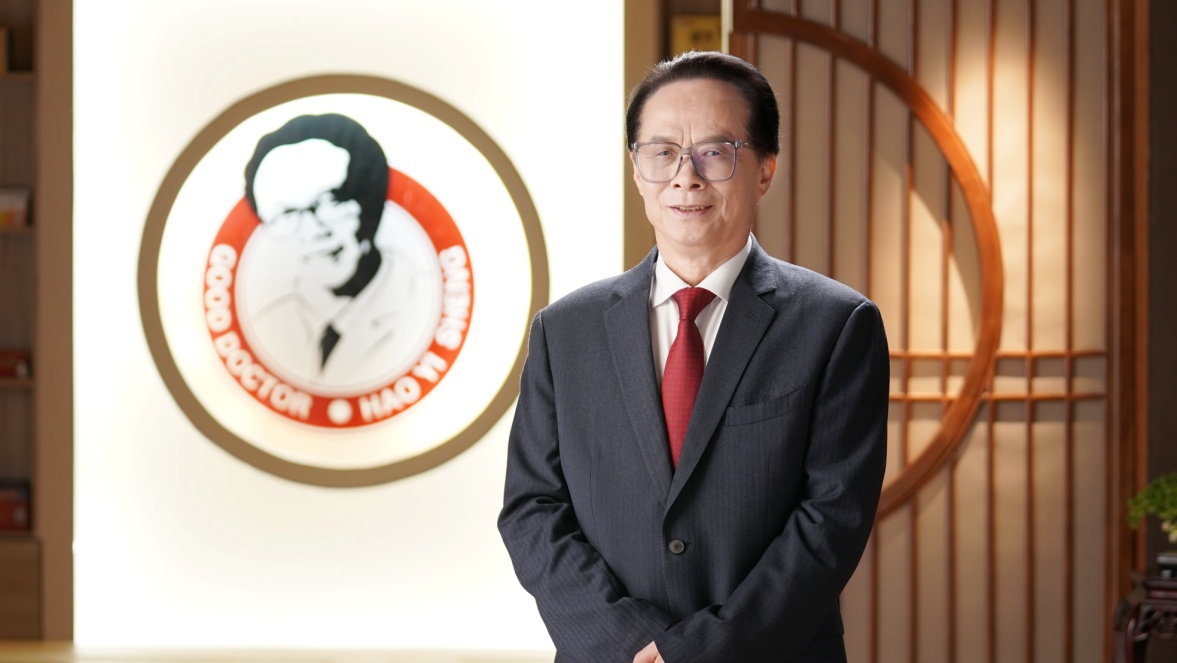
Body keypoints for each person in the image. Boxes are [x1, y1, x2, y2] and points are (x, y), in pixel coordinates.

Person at [497, 51, 889, 662]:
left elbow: (831, 521)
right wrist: (629, 644)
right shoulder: (565, 331)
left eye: (715, 152)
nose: (686, 177)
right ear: (636, 170)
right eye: (662, 153)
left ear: (765, 169)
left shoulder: (836, 324)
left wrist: (696, 653)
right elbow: (532, 509)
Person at [238, 113, 440, 390]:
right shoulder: (264, 325)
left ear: (366, 203)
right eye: (287, 216)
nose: (315, 229)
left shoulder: (429, 309)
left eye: (330, 202)